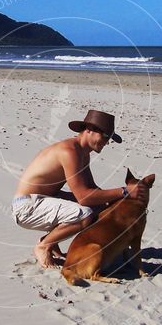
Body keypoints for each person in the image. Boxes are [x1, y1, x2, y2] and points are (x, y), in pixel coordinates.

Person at [12, 109, 148, 268]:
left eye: (109, 138)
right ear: (89, 130)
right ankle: (44, 246)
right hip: (27, 207)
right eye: (105, 136)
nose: (107, 142)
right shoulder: (69, 152)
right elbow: (84, 197)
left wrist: (120, 199)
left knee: (99, 207)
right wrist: (124, 191)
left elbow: (91, 189)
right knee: (84, 215)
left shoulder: (82, 153)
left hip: (42, 201)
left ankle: (54, 240)